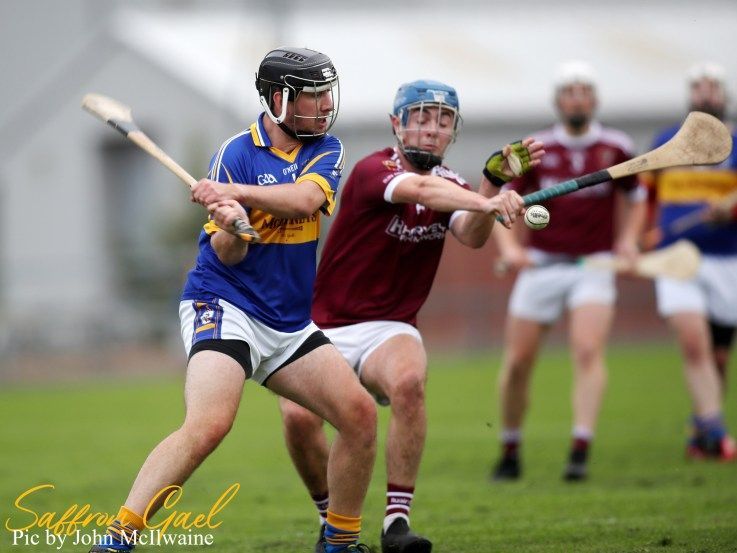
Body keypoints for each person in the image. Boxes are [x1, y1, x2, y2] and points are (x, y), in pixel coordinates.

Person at [90, 47, 377, 553]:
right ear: (278, 99)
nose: (326, 104)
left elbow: (306, 200)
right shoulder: (235, 153)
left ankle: (340, 542)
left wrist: (238, 196)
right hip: (225, 304)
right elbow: (228, 254)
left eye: (326, 94)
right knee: (209, 424)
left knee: (359, 415)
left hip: (288, 322)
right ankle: (117, 540)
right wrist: (232, 226)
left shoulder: (326, 149)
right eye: (313, 96)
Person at [278, 79, 542, 553]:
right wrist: (486, 200)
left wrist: (491, 184)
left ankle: (396, 524)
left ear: (453, 131)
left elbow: (473, 235)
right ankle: (331, 518)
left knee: (408, 383)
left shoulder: (455, 186)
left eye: (443, 121)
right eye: (420, 118)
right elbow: (420, 189)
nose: (432, 129)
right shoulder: (373, 170)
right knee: (297, 418)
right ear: (397, 125)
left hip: (391, 326)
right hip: (324, 325)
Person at [491, 61, 647, 482]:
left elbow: (636, 199)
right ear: (558, 101)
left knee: (587, 350)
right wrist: (510, 248)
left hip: (593, 266)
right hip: (541, 266)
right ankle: (510, 448)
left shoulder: (616, 146)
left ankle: (580, 448)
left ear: (594, 100)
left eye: (584, 92)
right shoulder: (537, 148)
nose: (577, 100)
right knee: (518, 361)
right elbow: (503, 204)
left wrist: (629, 240)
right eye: (569, 93)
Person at [645, 61, 736, 460]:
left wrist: (730, 208)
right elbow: (644, 197)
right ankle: (718, 433)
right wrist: (640, 235)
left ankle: (702, 431)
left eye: (713, 87)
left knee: (718, 357)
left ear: (724, 95)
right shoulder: (667, 142)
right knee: (694, 343)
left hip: (726, 260)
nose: (706, 93)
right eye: (699, 87)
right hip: (675, 258)